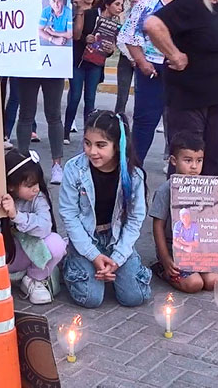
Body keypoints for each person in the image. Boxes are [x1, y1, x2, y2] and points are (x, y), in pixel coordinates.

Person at [144, 0, 218, 176]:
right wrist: (175, 54)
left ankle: (204, 211)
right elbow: (153, 24)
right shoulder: (189, 2)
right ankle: (180, 211)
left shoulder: (212, 5)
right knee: (188, 164)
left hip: (216, 99)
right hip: (190, 101)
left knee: (211, 163)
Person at [59, 110, 151, 308]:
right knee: (91, 299)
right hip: (86, 236)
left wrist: (117, 259)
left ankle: (113, 270)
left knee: (135, 297)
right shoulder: (74, 169)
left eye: (101, 145)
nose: (92, 151)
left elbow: (135, 220)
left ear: (117, 146)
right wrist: (93, 255)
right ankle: (68, 263)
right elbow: (69, 215)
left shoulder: (134, 175)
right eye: (87, 143)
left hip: (116, 237)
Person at [117, 0, 190, 163]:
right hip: (153, 70)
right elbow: (129, 34)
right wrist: (142, 62)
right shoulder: (147, 2)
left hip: (181, 72)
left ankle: (178, 172)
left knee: (180, 123)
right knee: (145, 122)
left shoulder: (190, 2)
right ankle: (134, 168)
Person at [0, 149, 66, 305]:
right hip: (4, 257)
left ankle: (34, 279)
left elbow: (45, 227)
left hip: (29, 253)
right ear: (12, 186)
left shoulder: (37, 197)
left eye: (37, 183)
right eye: (29, 185)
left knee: (56, 244)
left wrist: (17, 215)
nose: (36, 189)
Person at [148, 134, 218, 294]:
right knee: (194, 284)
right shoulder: (165, 190)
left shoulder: (207, 188)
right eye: (188, 161)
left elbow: (213, 224)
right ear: (174, 161)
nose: (194, 166)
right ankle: (160, 268)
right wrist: (165, 258)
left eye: (199, 160)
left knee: (213, 281)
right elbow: (158, 226)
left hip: (199, 250)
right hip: (174, 250)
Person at [16, 0, 67, 184]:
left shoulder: (64, 8)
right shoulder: (25, 3)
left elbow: (70, 33)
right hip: (29, 61)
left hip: (54, 64)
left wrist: (80, 10)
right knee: (26, 113)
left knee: (53, 114)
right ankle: (22, 161)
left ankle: (57, 165)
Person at [66, 0, 123, 143]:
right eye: (117, 4)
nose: (120, 8)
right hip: (79, 62)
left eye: (122, 5)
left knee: (90, 99)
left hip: (96, 64)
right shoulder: (90, 14)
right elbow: (77, 35)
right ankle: (65, 132)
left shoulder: (115, 25)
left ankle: (88, 134)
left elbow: (109, 48)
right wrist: (87, 38)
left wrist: (111, 51)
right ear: (107, 4)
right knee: (75, 97)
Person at [114, 0, 144, 117]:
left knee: (142, 94)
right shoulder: (123, 15)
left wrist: (139, 58)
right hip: (126, 58)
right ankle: (118, 124)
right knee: (122, 95)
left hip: (143, 59)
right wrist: (132, 58)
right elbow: (120, 39)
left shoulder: (148, 14)